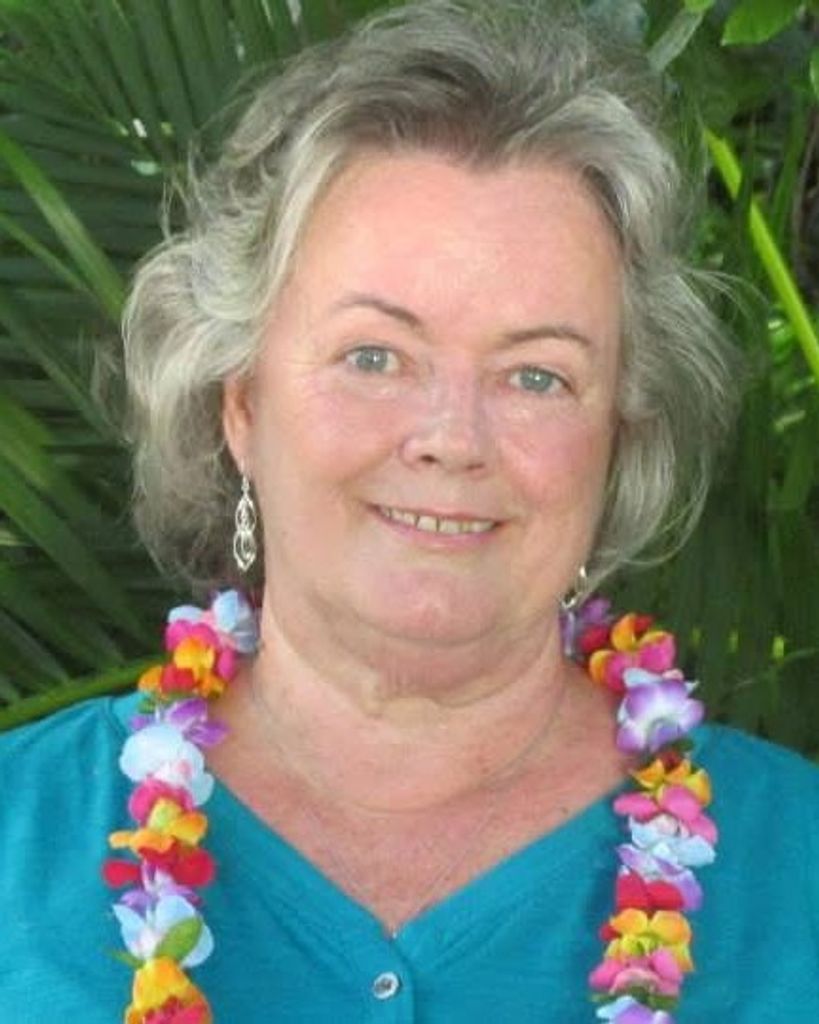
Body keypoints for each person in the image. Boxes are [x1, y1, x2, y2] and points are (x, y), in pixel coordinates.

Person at [1, 1, 817, 1022]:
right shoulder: (16, 841)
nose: (450, 437)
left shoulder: (797, 872)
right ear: (241, 403)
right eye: (374, 356)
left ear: (618, 439)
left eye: (537, 375)